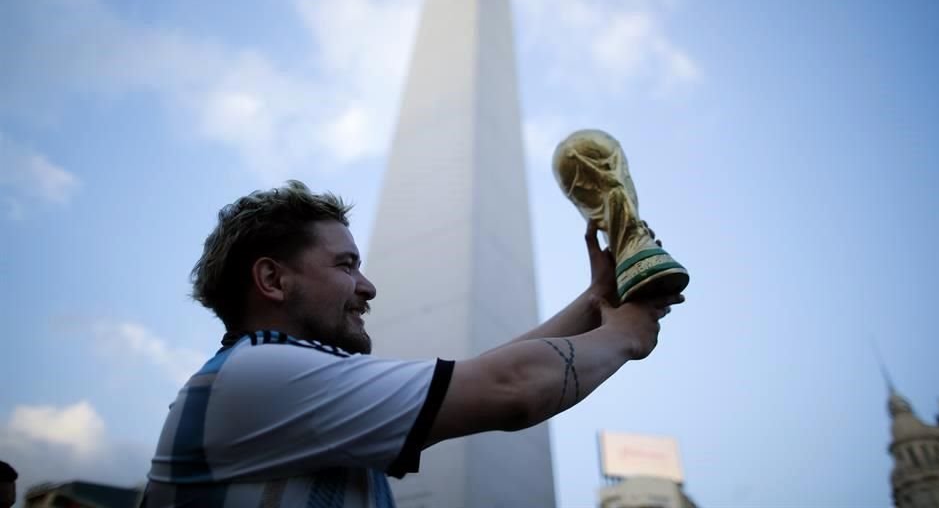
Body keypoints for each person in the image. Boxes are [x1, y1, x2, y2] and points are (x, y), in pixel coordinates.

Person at [142, 180, 684, 507]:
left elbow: (477, 374)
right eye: (346, 264)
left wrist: (596, 303)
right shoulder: (257, 380)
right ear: (273, 280)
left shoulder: (266, 385)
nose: (368, 285)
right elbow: (510, 386)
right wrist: (626, 334)